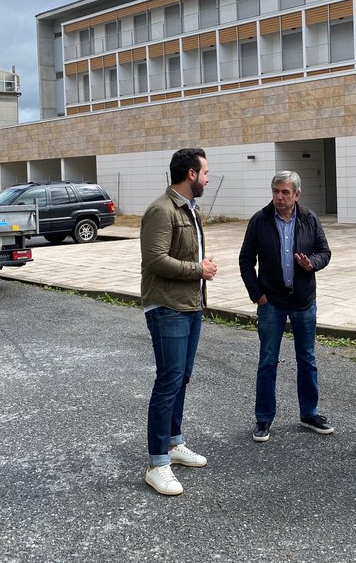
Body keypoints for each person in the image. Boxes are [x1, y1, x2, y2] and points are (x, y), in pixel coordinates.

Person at [141, 148, 218, 496]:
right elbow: (155, 259)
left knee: (181, 377)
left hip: (190, 304)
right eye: (204, 172)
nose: (207, 178)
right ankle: (157, 463)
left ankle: (173, 443)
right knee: (168, 380)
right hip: (167, 306)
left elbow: (185, 254)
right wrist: (198, 270)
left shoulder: (190, 209)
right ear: (190, 174)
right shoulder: (161, 210)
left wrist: (201, 268)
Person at [239, 171, 333, 442]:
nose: (279, 197)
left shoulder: (309, 219)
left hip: (303, 300)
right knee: (268, 361)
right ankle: (264, 418)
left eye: (285, 192)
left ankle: (309, 413)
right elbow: (246, 260)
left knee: (307, 359)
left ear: (297, 195)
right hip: (272, 302)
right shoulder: (260, 220)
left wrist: (311, 263)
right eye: (275, 191)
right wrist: (257, 295)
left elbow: (324, 252)